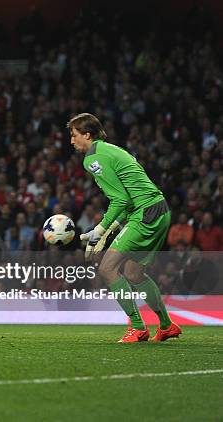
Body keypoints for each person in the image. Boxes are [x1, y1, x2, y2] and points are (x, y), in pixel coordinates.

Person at [67, 113, 181, 343]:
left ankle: (138, 328)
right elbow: (128, 198)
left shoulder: (93, 158)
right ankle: (167, 326)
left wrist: (99, 230)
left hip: (145, 212)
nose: (71, 140)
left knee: (107, 269)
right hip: (158, 209)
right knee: (133, 273)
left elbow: (120, 199)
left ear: (86, 135)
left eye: (74, 135)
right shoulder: (112, 150)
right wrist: (105, 233)